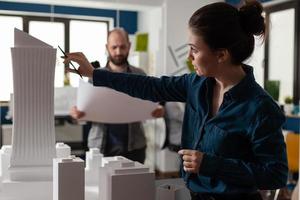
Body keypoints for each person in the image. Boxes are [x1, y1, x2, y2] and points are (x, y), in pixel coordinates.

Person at [65, 1, 288, 199]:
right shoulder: (196, 85)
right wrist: (94, 74)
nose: (189, 57)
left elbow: (275, 175)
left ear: (221, 55)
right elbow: (150, 86)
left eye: (194, 50)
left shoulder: (260, 108)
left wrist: (212, 165)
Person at [70, 28, 164, 164]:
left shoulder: (140, 75)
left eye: (122, 47)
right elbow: (83, 111)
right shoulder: (93, 76)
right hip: (100, 147)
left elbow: (152, 103)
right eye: (114, 47)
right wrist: (77, 114)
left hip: (134, 147)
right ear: (107, 47)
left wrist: (159, 111)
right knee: (100, 185)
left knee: (133, 184)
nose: (118, 52)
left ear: (129, 46)